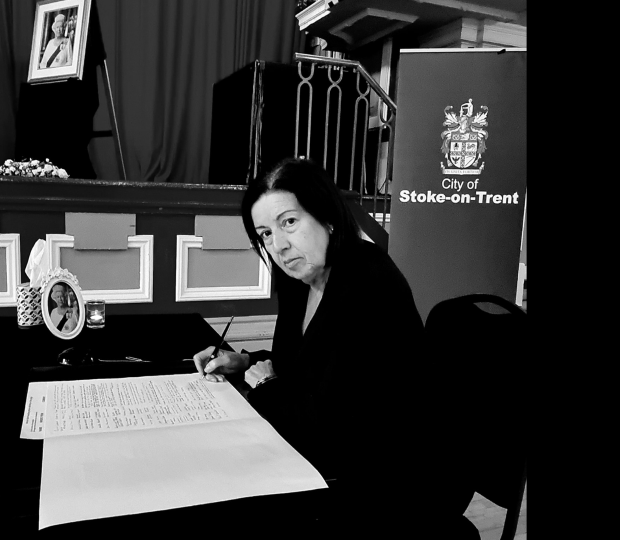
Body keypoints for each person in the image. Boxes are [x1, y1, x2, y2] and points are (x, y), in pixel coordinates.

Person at [191, 158, 478, 536]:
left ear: (326, 216)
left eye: (289, 222)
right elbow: (303, 368)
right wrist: (245, 362)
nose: (278, 245)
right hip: (341, 461)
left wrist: (265, 387)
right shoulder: (301, 276)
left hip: (397, 484)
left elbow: (330, 430)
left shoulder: (369, 285)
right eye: (264, 234)